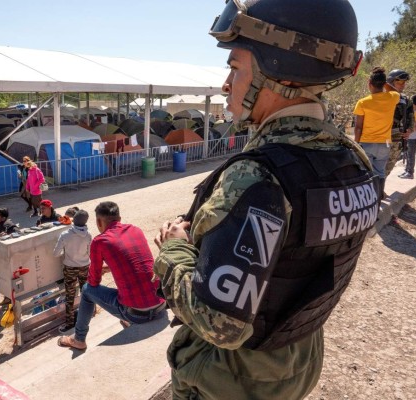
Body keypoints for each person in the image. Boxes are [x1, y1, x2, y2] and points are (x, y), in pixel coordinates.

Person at [153, 1, 380, 398]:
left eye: (236, 67)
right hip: (295, 363)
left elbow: (220, 325)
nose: (226, 84)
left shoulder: (259, 177)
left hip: (231, 379)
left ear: (275, 71)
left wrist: (173, 250)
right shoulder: (351, 159)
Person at [58, 201, 166, 351]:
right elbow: (136, 263)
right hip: (160, 305)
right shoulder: (136, 230)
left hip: (137, 314)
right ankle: (126, 320)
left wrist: (97, 271)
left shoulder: (100, 241)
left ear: (98, 221)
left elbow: (93, 281)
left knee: (87, 289)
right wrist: (112, 267)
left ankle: (79, 339)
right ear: (119, 218)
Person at [353, 67, 400, 196]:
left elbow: (358, 127)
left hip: (366, 143)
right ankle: (378, 199)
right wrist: (384, 83)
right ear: (384, 84)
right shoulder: (393, 97)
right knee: (380, 172)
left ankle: (367, 201)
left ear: (369, 84)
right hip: (384, 144)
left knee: (365, 173)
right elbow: (396, 91)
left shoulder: (363, 102)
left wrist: (356, 145)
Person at [53, 209, 92, 333]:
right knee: (86, 294)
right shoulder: (88, 235)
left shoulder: (65, 235)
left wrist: (67, 253)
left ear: (73, 220)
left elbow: (55, 253)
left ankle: (70, 323)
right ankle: (86, 318)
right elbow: (90, 253)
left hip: (70, 268)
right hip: (85, 267)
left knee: (70, 296)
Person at [385, 69, 414, 177]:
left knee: (389, 165)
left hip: (396, 138)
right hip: (379, 137)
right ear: (391, 82)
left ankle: (381, 189)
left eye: (404, 83)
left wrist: (409, 130)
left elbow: (411, 117)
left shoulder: (405, 99)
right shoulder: (381, 96)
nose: (403, 85)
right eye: (400, 82)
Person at [399, 95, 416, 179]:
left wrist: (409, 132)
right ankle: (407, 170)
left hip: (413, 137)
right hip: (414, 136)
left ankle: (410, 173)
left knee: (411, 155)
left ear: (412, 102)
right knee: (408, 154)